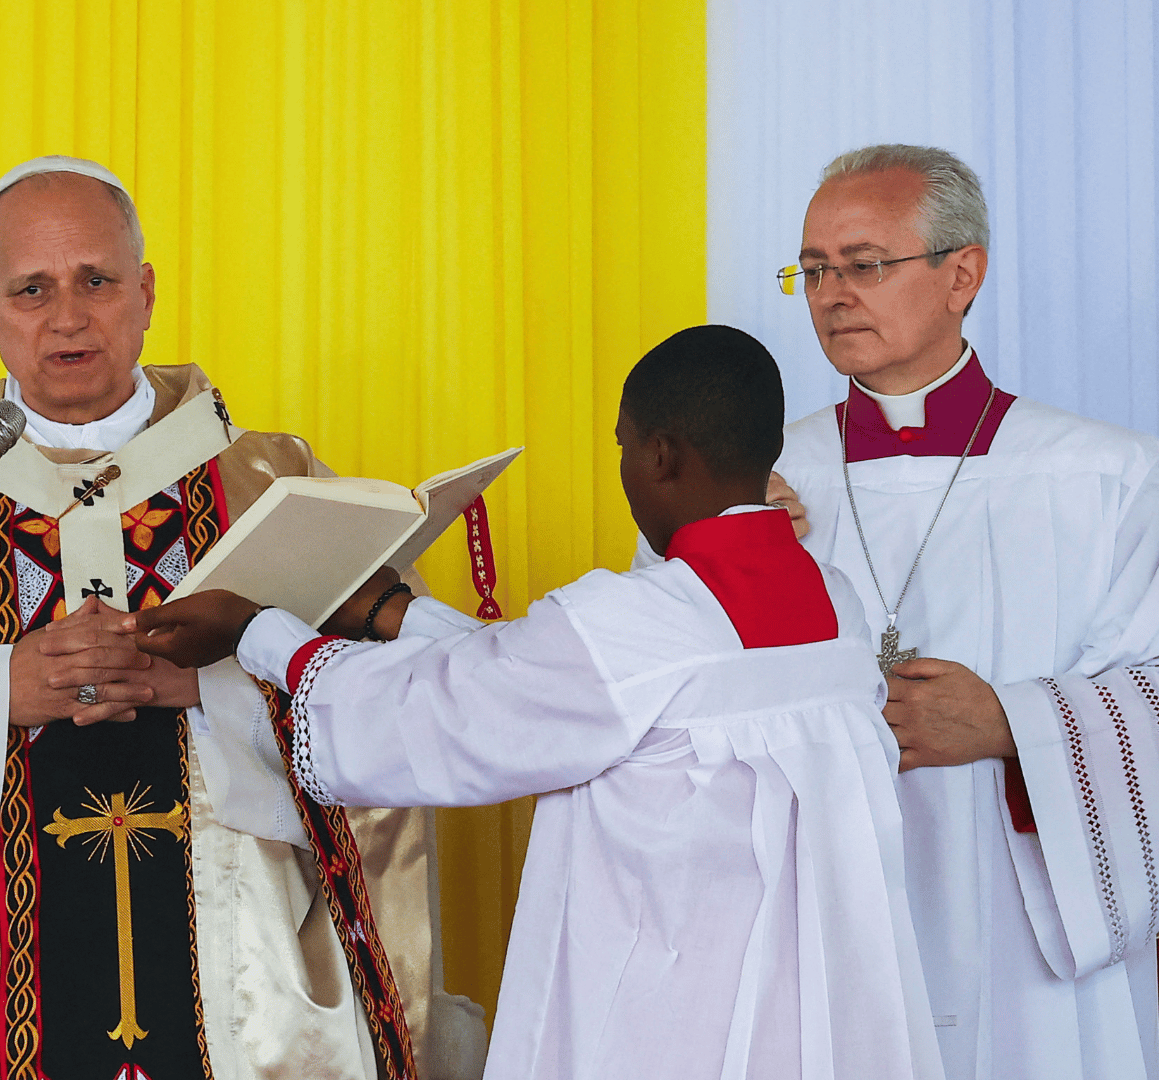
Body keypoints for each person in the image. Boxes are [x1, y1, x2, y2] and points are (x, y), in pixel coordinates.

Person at [0, 156, 486, 1080]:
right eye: (32, 289)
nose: (68, 316)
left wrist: (214, 689)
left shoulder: (275, 484)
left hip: (248, 995)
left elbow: (399, 712)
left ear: (144, 292)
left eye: (96, 280)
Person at [128, 325, 945, 1080]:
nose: (622, 469)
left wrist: (255, 630)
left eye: (622, 447)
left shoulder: (631, 624)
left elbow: (446, 715)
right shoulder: (834, 605)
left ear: (660, 455)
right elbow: (534, 682)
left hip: (669, 1010)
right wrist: (394, 612)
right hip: (801, 1003)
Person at [766, 143, 1159, 1079]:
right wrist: (737, 561)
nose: (832, 292)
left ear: (962, 275)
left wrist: (1016, 722)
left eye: (864, 264)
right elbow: (667, 690)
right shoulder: (761, 480)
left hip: (1035, 935)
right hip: (823, 906)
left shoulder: (1105, 473)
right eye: (814, 270)